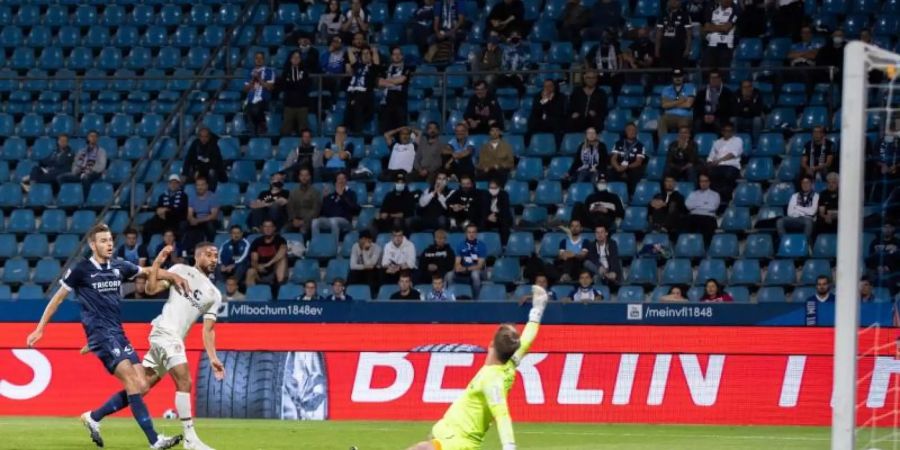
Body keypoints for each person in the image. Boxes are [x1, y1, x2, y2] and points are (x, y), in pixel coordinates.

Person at [26, 224, 188, 450]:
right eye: (103, 240)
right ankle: (155, 440)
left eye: (110, 239)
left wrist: (170, 274)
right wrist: (40, 328)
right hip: (101, 335)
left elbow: (147, 271)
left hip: (118, 333)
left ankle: (93, 417)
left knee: (142, 386)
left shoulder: (119, 265)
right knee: (132, 381)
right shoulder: (81, 270)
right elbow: (58, 299)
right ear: (93, 245)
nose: (109, 244)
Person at [405, 285, 548, 450]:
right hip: (447, 432)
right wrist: (537, 310)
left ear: (491, 345)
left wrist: (509, 446)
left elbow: (502, 414)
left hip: (456, 442)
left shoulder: (492, 380)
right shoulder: (510, 364)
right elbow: (527, 340)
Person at [123, 243, 223, 450]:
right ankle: (190, 439)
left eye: (216, 256)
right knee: (185, 381)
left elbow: (208, 330)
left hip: (175, 338)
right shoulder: (179, 270)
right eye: (209, 255)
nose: (214, 259)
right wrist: (158, 262)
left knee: (142, 385)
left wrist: (213, 358)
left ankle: (95, 415)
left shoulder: (215, 294)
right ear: (197, 256)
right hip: (164, 332)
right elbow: (151, 289)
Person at [312, 172, 360, 243]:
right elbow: (324, 212)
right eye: (339, 179)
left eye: (343, 178)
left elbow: (354, 208)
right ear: (336, 182)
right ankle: (316, 244)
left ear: (346, 181)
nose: (341, 180)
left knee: (334, 221)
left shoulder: (351, 194)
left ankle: (333, 245)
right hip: (329, 220)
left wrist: (342, 195)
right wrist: (324, 199)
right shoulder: (331, 195)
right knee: (315, 222)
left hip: (346, 222)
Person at [344, 47, 380, 134]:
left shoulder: (373, 68)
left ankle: (357, 133)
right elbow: (349, 51)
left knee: (357, 107)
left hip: (365, 95)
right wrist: (358, 50)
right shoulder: (357, 66)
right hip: (352, 93)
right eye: (364, 54)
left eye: (368, 53)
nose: (366, 55)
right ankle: (346, 131)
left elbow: (376, 60)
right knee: (349, 110)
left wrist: (374, 51)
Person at [706, 122, 742, 205]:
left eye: (729, 131)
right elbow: (711, 157)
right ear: (722, 132)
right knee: (709, 174)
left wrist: (719, 160)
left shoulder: (737, 140)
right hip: (717, 166)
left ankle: (725, 201)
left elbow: (733, 154)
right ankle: (714, 201)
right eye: (725, 131)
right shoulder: (717, 142)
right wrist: (710, 163)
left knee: (727, 175)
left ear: (733, 132)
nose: (727, 133)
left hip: (731, 166)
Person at [378, 47, 413, 133]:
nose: (397, 56)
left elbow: (401, 80)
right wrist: (393, 82)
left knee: (401, 130)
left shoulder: (407, 68)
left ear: (402, 56)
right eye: (394, 54)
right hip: (386, 103)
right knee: (386, 131)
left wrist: (387, 81)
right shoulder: (385, 68)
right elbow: (379, 82)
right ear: (391, 56)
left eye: (399, 54)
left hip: (400, 103)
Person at [181, 177, 219, 253]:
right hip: (196, 219)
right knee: (183, 224)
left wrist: (198, 221)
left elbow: (213, 215)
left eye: (202, 185)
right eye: (198, 185)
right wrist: (191, 219)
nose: (200, 187)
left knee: (210, 226)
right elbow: (189, 213)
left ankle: (210, 247)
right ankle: (183, 249)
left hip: (208, 219)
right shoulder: (192, 197)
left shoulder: (213, 197)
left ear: (206, 186)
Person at [245, 220, 288, 289]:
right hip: (260, 271)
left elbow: (282, 252)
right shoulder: (257, 242)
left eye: (270, 226)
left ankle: (279, 287)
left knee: (282, 260)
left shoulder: (280, 240)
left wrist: (268, 264)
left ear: (274, 228)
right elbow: (254, 260)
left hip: (274, 270)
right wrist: (257, 266)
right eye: (265, 226)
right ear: (262, 228)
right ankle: (251, 296)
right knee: (250, 271)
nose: (268, 229)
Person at [448, 224, 487, 297]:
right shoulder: (460, 245)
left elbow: (479, 266)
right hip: (465, 270)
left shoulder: (481, 245)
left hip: (480, 271)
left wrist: (466, 269)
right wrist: (458, 267)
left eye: (473, 232)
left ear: (476, 234)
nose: (471, 234)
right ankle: (451, 298)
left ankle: (476, 300)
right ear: (466, 234)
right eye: (469, 232)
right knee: (449, 275)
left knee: (474, 274)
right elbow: (457, 262)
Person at [278, 51, 311, 136]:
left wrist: (292, 84)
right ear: (290, 59)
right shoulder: (285, 72)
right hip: (289, 105)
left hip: (302, 105)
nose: (296, 59)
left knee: (303, 131)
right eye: (294, 57)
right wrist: (296, 84)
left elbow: (305, 86)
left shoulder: (305, 72)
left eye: (298, 57)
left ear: (300, 59)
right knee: (285, 131)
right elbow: (284, 85)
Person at [681, 173, 720, 246]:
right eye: (701, 181)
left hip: (708, 217)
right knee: (685, 221)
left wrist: (696, 205)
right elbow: (688, 205)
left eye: (705, 181)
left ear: (709, 182)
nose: (703, 183)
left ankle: (704, 248)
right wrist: (704, 204)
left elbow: (713, 207)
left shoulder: (715, 194)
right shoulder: (693, 193)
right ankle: (689, 246)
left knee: (708, 225)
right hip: (694, 216)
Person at [609, 123, 646, 195]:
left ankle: (631, 196)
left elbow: (638, 162)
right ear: (626, 131)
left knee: (635, 173)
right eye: (629, 130)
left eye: (633, 130)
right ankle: (612, 195)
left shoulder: (640, 145)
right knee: (610, 172)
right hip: (619, 166)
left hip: (632, 167)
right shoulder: (618, 143)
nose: (631, 132)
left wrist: (626, 167)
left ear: (636, 132)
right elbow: (613, 158)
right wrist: (618, 167)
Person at [243, 52, 276, 136]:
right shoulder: (249, 72)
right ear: (254, 60)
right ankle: (257, 129)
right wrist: (252, 81)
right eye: (257, 58)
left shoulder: (269, 71)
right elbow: (245, 90)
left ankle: (260, 126)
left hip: (264, 99)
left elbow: (270, 88)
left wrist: (259, 78)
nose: (259, 60)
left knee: (255, 109)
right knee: (247, 109)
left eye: (261, 58)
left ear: (264, 60)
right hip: (251, 99)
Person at [658, 68, 696, 140]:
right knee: (661, 120)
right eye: (675, 76)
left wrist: (671, 103)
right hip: (670, 116)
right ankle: (664, 144)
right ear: (672, 77)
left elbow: (688, 105)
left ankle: (683, 146)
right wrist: (681, 100)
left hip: (685, 116)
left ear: (683, 77)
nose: (678, 78)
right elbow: (664, 105)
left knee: (683, 123)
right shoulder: (666, 89)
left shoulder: (690, 87)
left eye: (680, 76)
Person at [693, 69, 734, 134]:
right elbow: (697, 107)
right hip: (704, 117)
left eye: (716, 77)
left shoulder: (727, 93)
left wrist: (715, 116)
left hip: (720, 117)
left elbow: (729, 109)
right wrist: (703, 116)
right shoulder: (701, 93)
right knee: (697, 123)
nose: (713, 80)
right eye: (711, 78)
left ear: (720, 79)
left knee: (720, 124)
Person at [777, 176, 819, 240]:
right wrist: (804, 212)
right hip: (794, 218)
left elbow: (812, 212)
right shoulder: (795, 196)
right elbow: (789, 213)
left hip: (808, 220)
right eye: (803, 183)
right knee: (780, 221)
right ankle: (784, 241)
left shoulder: (816, 196)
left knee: (808, 222)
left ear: (811, 184)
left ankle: (805, 243)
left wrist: (797, 207)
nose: (805, 185)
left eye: (807, 182)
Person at [655, 0, 692, 72]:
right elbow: (659, 33)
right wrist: (657, 49)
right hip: (665, 48)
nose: (674, 2)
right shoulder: (663, 14)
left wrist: (687, 49)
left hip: (679, 48)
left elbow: (689, 34)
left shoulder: (685, 15)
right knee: (664, 71)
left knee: (677, 71)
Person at [701, 0, 737, 70]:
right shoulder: (715, 11)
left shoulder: (734, 11)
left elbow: (726, 28)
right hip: (712, 45)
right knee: (707, 69)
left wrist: (713, 27)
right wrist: (721, 27)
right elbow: (706, 28)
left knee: (723, 71)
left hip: (725, 46)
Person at [286, 168, 322, 236]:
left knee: (303, 231)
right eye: (302, 175)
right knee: (283, 231)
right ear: (299, 177)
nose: (304, 178)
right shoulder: (293, 192)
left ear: (309, 177)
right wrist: (293, 219)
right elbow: (290, 207)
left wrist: (304, 221)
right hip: (294, 220)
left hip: (309, 220)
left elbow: (316, 210)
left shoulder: (315, 192)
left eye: (306, 175)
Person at [496, 31, 531, 96]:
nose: (515, 38)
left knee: (520, 86)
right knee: (496, 81)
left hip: (518, 75)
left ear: (520, 38)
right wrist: (507, 72)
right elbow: (504, 64)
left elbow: (527, 65)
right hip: (508, 74)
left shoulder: (525, 50)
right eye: (513, 37)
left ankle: (521, 102)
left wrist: (521, 73)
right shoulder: (507, 49)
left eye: (516, 37)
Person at [732, 79, 767, 145]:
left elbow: (758, 112)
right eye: (745, 87)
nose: (747, 89)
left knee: (758, 120)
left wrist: (749, 100)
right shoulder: (736, 94)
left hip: (752, 119)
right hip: (741, 119)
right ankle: (734, 143)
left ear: (752, 87)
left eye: (749, 86)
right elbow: (735, 112)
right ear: (741, 88)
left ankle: (755, 144)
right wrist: (743, 100)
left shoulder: (757, 93)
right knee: (733, 120)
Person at [479, 179, 513, 245]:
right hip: (488, 217)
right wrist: (487, 217)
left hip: (500, 217)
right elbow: (482, 210)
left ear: (499, 188)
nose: (493, 190)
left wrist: (496, 216)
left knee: (505, 224)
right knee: (481, 222)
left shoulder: (504, 195)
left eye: (495, 188)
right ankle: (484, 244)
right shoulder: (484, 195)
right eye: (491, 188)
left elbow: (505, 210)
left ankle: (504, 246)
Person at [319, 36, 347, 102]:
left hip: (339, 76)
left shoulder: (344, 54)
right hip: (326, 77)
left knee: (337, 81)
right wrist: (328, 53)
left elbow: (341, 68)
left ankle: (334, 103)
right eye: (334, 41)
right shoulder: (325, 53)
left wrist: (332, 71)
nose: (336, 43)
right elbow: (322, 66)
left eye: (338, 41)